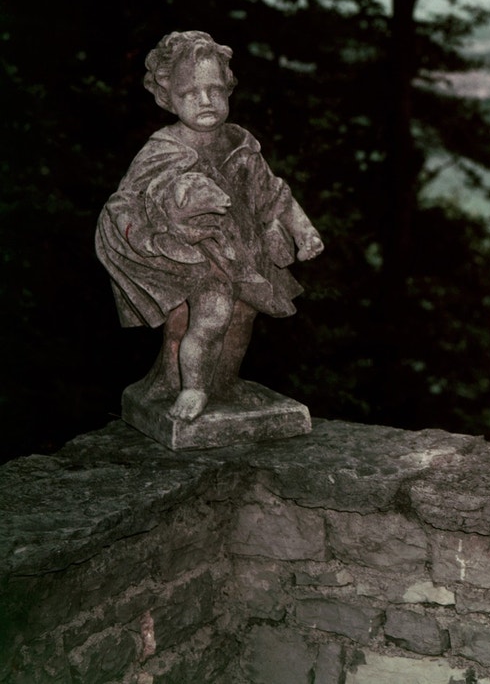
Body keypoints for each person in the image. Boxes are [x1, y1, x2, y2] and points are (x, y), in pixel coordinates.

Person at [96, 31, 323, 421]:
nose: (205, 101)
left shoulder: (240, 141)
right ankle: (193, 388)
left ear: (229, 89)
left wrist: (304, 231)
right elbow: (126, 202)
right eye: (190, 93)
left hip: (245, 255)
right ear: (166, 97)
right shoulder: (163, 147)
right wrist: (154, 231)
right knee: (212, 316)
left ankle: (225, 382)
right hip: (201, 258)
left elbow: (274, 194)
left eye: (215, 90)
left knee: (242, 318)